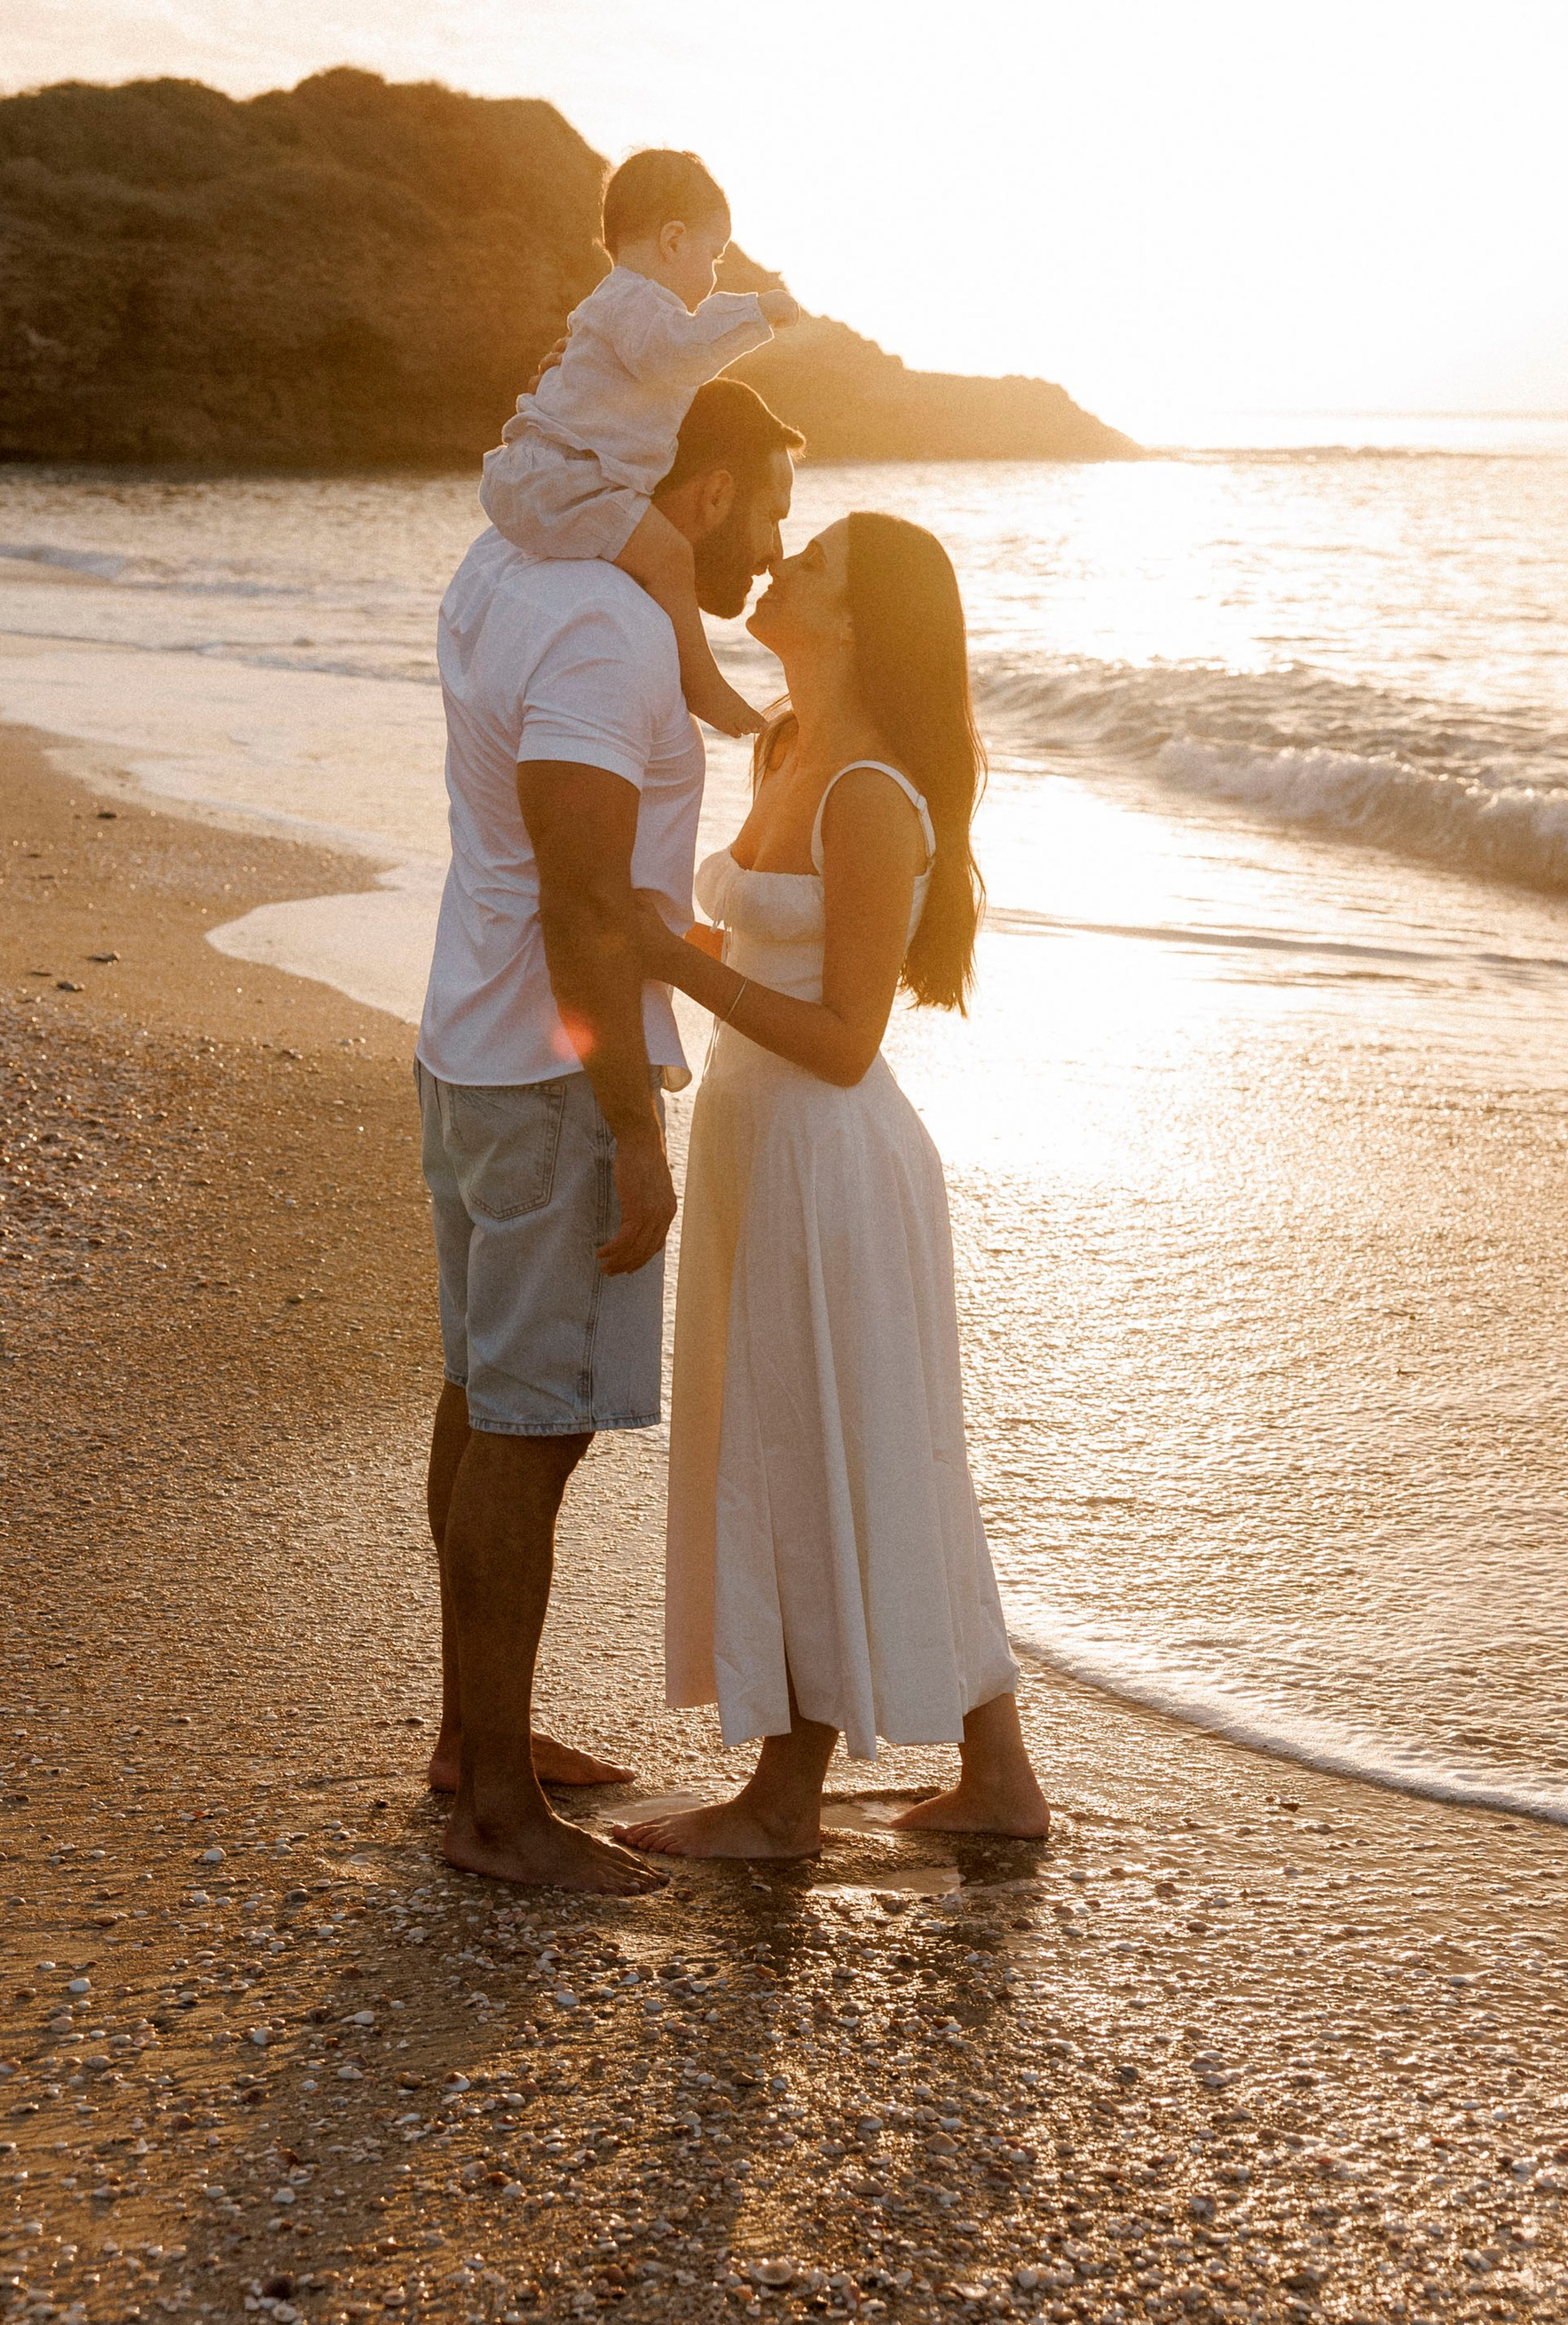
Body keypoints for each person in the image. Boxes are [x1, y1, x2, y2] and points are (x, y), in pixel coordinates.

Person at [614, 510, 1050, 1860]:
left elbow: (850, 1036)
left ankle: (785, 1804)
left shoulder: (870, 792)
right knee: (856, 1437)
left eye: (813, 568)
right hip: (758, 1140)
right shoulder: (787, 744)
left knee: (818, 1439)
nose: (783, 567)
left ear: (858, 622)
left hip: (833, 1156)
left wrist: (673, 963)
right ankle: (1000, 1779)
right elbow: (746, 917)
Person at [418, 374, 802, 1890]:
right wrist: (632, 1122)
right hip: (546, 1067)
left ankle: (473, 1742)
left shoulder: (510, 565)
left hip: (471, 1038)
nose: (776, 545)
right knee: (535, 1419)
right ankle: (500, 1813)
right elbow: (588, 902)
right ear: (701, 494)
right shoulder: (604, 629)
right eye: (769, 503)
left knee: (482, 1392)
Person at [479, 146, 801, 740]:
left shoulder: (617, 309)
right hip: (564, 479)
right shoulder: (640, 302)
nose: (713, 275)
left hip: (541, 473)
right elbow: (681, 353)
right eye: (714, 254)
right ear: (673, 240)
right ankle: (704, 684)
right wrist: (760, 312)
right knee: (672, 558)